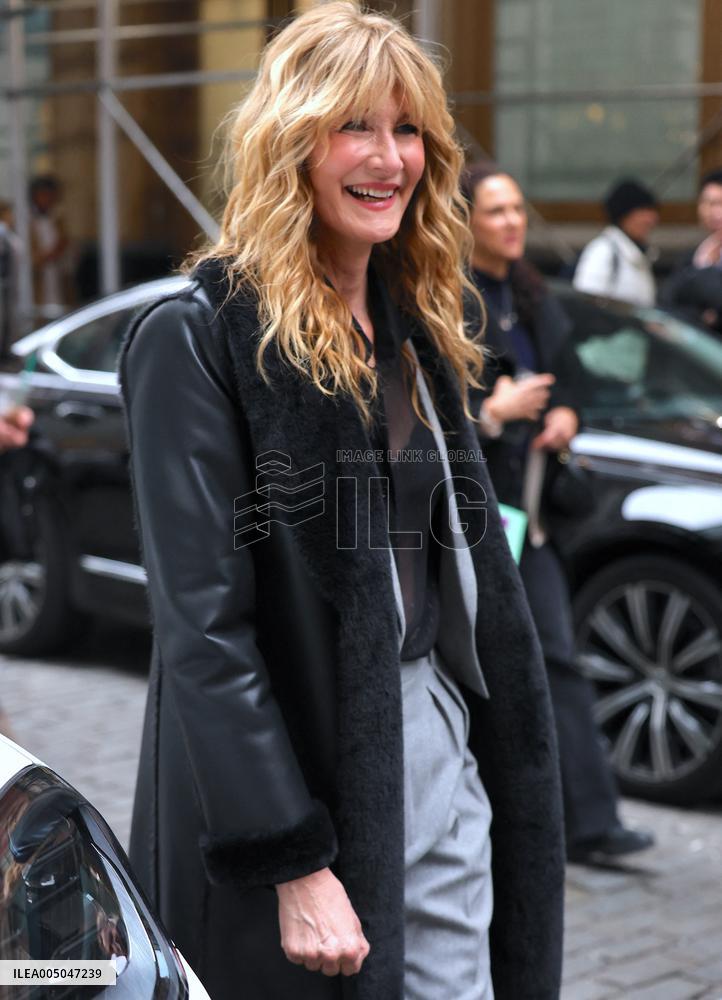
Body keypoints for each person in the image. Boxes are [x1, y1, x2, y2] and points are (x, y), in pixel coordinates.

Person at [119, 6, 564, 1000]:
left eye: (407, 129)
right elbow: (203, 632)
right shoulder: (197, 336)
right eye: (353, 125)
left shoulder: (416, 329)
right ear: (291, 143)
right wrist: (290, 858)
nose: (387, 157)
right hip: (302, 761)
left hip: (434, 733)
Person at [463, 161, 654, 865]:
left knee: (557, 660)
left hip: (531, 518)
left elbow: (569, 379)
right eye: (496, 211)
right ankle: (491, 824)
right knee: (474, 670)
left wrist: (565, 412)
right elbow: (417, 418)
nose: (513, 221)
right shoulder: (448, 301)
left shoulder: (533, 293)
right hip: (470, 522)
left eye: (517, 208)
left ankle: (591, 821)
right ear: (464, 222)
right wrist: (492, 412)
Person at [573, 177, 659, 306]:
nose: (651, 219)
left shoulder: (641, 255)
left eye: (652, 211)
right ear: (624, 215)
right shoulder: (603, 251)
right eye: (643, 211)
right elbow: (587, 304)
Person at [661, 169, 722, 332]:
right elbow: (667, 302)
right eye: (708, 203)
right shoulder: (693, 256)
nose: (715, 212)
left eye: (720, 203)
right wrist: (701, 317)